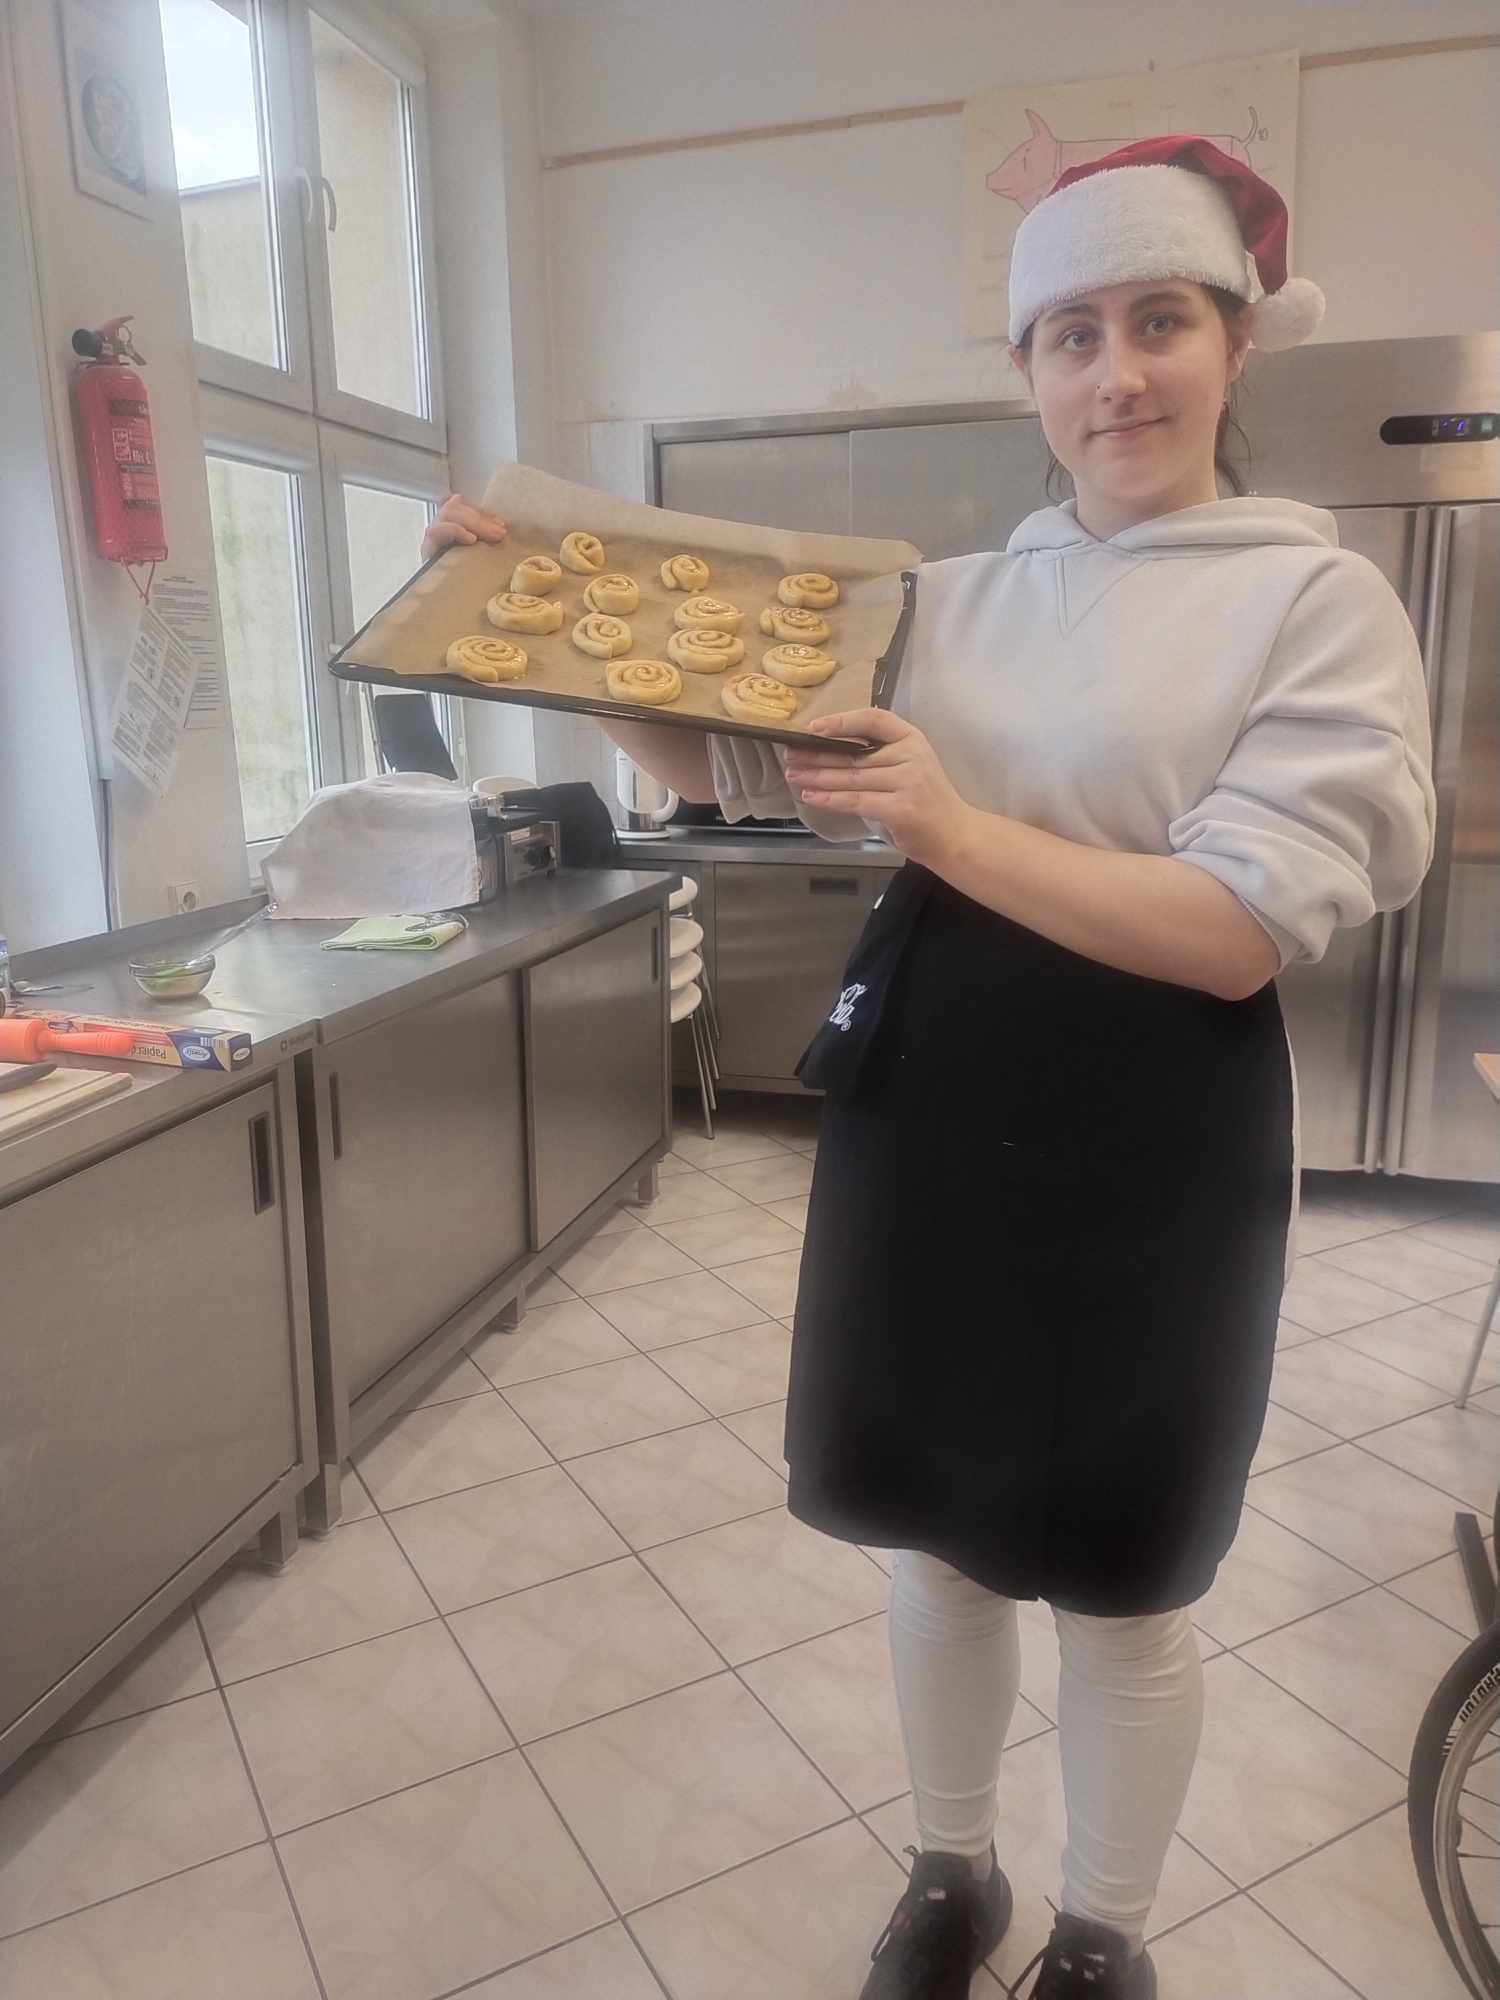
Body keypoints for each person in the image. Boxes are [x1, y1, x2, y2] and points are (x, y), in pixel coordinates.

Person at [425, 135, 1436, 2000]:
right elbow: (722, 763)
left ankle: (1105, 1933)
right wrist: (541, 622)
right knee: (940, 1541)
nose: (1116, 374)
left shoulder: (1313, 601)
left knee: (1122, 1572)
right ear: (1027, 370)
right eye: (1071, 334)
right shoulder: (948, 599)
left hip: (1159, 1109)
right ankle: (950, 1874)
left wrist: (951, 826)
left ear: (1235, 344)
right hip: (940, 1089)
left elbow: (1234, 928)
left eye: (1159, 322)